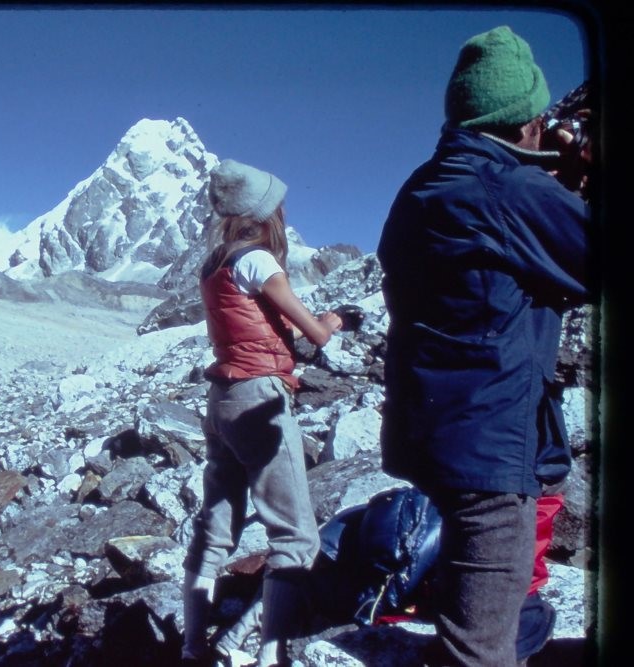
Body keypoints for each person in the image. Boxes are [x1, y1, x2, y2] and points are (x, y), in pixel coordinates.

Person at [375, 26, 590, 666]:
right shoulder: (512, 191)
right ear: (524, 119)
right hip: (489, 448)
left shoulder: (423, 186)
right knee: (481, 648)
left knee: (486, 605)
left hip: (433, 432)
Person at [181, 158, 343, 666]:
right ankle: (265, 652)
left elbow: (251, 325)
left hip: (222, 397)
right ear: (264, 213)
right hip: (260, 399)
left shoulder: (215, 265)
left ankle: (191, 647)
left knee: (217, 523)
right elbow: (315, 334)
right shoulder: (259, 261)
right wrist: (334, 318)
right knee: (295, 535)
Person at [210, 486, 564, 667]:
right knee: (313, 587)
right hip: (360, 567)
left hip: (360, 538)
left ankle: (239, 634)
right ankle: (246, 636)